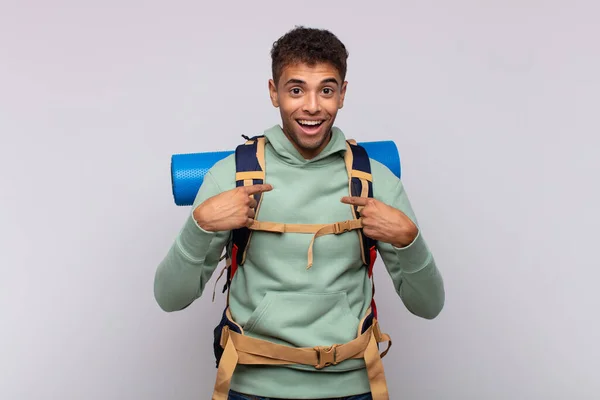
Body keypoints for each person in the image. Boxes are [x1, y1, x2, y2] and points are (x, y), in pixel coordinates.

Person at [154, 26, 445, 400]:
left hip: (352, 386)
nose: (311, 106)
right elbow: (168, 297)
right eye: (296, 90)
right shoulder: (230, 176)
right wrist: (200, 226)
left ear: (342, 94)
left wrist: (409, 241)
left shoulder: (375, 179)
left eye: (326, 90)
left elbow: (429, 306)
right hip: (252, 387)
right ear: (274, 93)